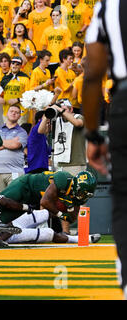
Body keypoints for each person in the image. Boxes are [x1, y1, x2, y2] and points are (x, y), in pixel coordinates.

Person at [82, 0, 127, 298]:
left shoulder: (109, 7)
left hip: (125, 100)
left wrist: (92, 133)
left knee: (125, 198)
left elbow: (94, 70)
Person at [0, 170, 98, 241]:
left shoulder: (77, 197)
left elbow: (72, 218)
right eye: (83, 192)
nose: (83, 196)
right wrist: (61, 214)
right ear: (77, 186)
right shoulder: (64, 179)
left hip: (30, 199)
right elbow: (45, 202)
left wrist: (71, 206)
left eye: (86, 194)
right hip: (25, 185)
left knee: (3, 220)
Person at [0, 105, 28, 193]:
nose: (14, 113)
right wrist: (10, 142)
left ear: (19, 116)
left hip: (14, 172)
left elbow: (15, 145)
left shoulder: (22, 132)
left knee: (13, 200)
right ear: (7, 113)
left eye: (17, 112)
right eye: (11, 111)